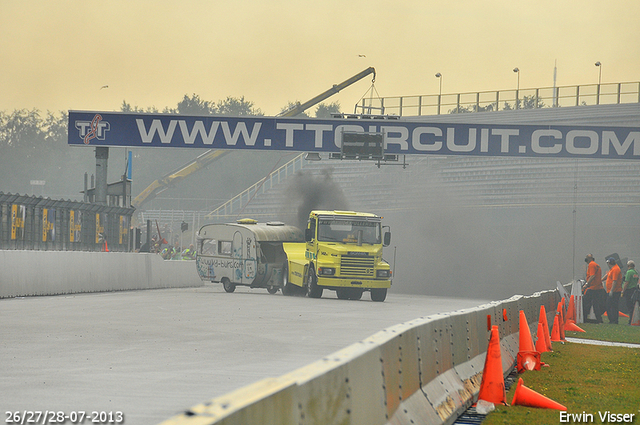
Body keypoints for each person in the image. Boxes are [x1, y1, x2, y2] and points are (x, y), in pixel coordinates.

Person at [582, 254, 605, 323]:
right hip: (598, 288)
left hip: (592, 288)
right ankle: (599, 319)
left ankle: (584, 318)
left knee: (586, 303)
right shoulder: (596, 265)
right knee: (596, 304)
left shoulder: (591, 265)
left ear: (588, 259)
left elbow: (592, 276)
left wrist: (586, 284)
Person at [603, 257, 622, 324]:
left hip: (615, 291)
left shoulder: (616, 269)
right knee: (610, 306)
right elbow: (607, 275)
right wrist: (601, 280)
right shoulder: (612, 269)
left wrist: (612, 290)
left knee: (612, 306)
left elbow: (615, 281)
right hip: (611, 291)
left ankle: (614, 320)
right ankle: (612, 320)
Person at [621, 260, 639, 324]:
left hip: (629, 290)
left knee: (629, 306)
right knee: (633, 306)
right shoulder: (636, 272)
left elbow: (627, 282)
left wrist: (623, 290)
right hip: (634, 290)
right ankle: (633, 319)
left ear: (628, 266)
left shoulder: (629, 272)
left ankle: (630, 320)